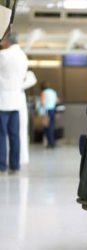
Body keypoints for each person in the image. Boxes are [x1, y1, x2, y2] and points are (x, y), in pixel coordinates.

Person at [0, 33, 28, 174]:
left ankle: (1, 166)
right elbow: (23, 77)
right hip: (16, 102)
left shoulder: (3, 55)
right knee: (14, 136)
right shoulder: (23, 56)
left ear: (7, 41)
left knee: (1, 135)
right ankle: (15, 166)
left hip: (2, 102)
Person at [40, 82, 58, 149]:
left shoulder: (43, 92)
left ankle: (50, 143)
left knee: (47, 127)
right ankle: (52, 142)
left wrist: (42, 112)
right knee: (52, 127)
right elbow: (56, 101)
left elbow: (43, 102)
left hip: (47, 111)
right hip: (53, 110)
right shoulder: (53, 92)